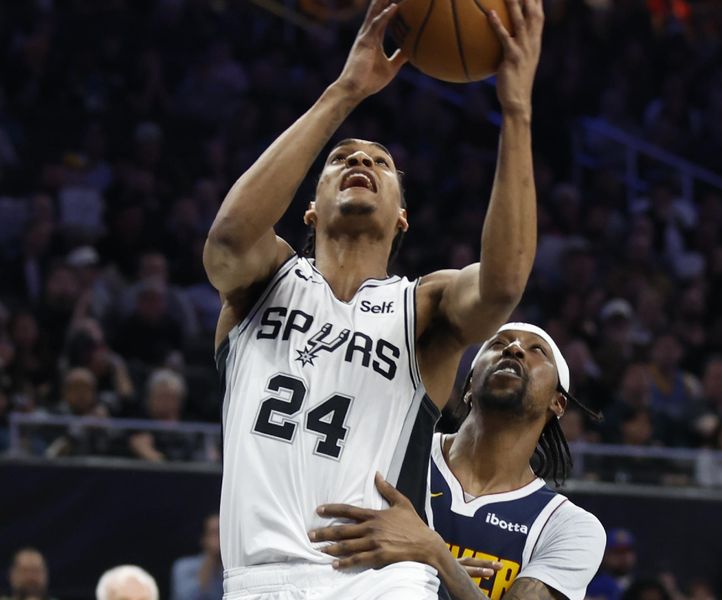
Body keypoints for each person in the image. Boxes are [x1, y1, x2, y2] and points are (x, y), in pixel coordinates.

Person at [202, 0, 543, 596]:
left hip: (379, 583)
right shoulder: (265, 280)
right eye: (341, 158)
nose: (360, 158)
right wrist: (344, 92)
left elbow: (503, 285)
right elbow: (227, 241)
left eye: (381, 163)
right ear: (309, 206)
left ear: (402, 217)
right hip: (259, 580)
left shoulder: (423, 308)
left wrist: (516, 111)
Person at [308, 323, 605, 600]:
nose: (513, 348)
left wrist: (435, 554)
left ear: (558, 402)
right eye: (497, 343)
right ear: (469, 385)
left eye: (537, 350)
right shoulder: (391, 449)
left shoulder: (568, 527)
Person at [170, 514, 224, 600]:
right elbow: (185, 597)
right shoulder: (183, 566)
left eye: (221, 532)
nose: (219, 538)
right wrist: (211, 557)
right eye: (214, 533)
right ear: (203, 538)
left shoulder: (232, 567)